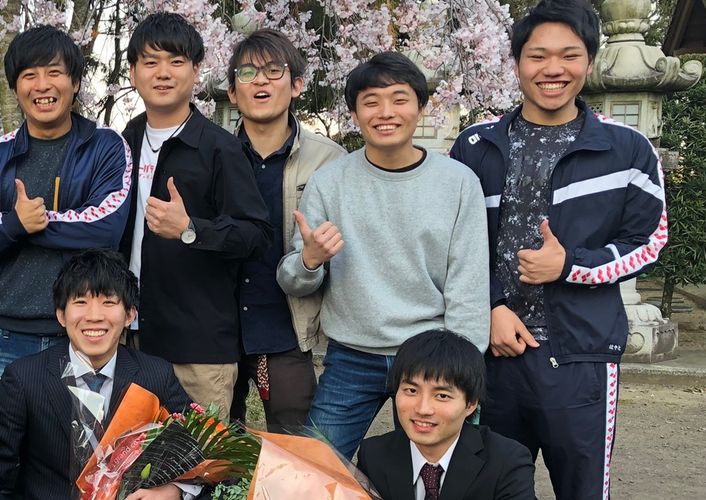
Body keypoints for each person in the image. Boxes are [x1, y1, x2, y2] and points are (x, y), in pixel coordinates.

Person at [450, 1, 667, 497]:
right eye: (538, 55)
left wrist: (570, 265)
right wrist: (490, 307)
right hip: (491, 353)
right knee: (486, 488)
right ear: (517, 63)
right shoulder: (475, 146)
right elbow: (451, 241)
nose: (553, 69)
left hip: (580, 356)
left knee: (583, 489)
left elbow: (649, 241)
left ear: (589, 61)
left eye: (569, 55)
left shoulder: (626, 148)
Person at [276, 52, 489, 459]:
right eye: (371, 102)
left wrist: (462, 362)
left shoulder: (458, 183)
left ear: (420, 107)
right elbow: (292, 279)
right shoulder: (329, 183)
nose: (385, 112)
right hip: (352, 355)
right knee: (315, 467)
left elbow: (469, 283)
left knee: (440, 472)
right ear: (355, 113)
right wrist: (310, 260)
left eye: (399, 99)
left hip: (432, 356)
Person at [0, 25, 133, 402]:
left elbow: (105, 227)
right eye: (29, 75)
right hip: (3, 337)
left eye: (54, 72)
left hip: (86, 335)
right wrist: (13, 224)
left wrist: (30, 224)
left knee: (85, 439)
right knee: (4, 438)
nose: (42, 85)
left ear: (75, 82)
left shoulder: (105, 147)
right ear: (15, 87)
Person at [119, 13, 271, 420]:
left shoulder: (220, 149)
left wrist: (190, 230)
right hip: (126, 340)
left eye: (176, 61)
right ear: (133, 73)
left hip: (197, 350)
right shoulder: (122, 143)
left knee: (200, 457)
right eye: (150, 62)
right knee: (128, 456)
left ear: (196, 70)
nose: (163, 73)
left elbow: (256, 235)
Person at [0, 249, 196, 499]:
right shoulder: (24, 378)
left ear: (130, 314)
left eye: (108, 302)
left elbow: (203, 452)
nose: (94, 317)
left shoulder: (156, 375)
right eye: (80, 302)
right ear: (61, 315)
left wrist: (175, 491)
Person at [224, 28, 347, 433]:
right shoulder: (213, 153)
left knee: (296, 447)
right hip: (217, 329)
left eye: (273, 71)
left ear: (296, 85)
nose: (260, 81)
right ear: (232, 92)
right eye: (247, 73)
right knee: (209, 448)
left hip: (286, 328)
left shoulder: (329, 160)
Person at [355, 329, 536, 500]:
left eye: (442, 396)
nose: (423, 409)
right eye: (411, 390)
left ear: (471, 404)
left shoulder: (507, 462)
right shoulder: (373, 455)